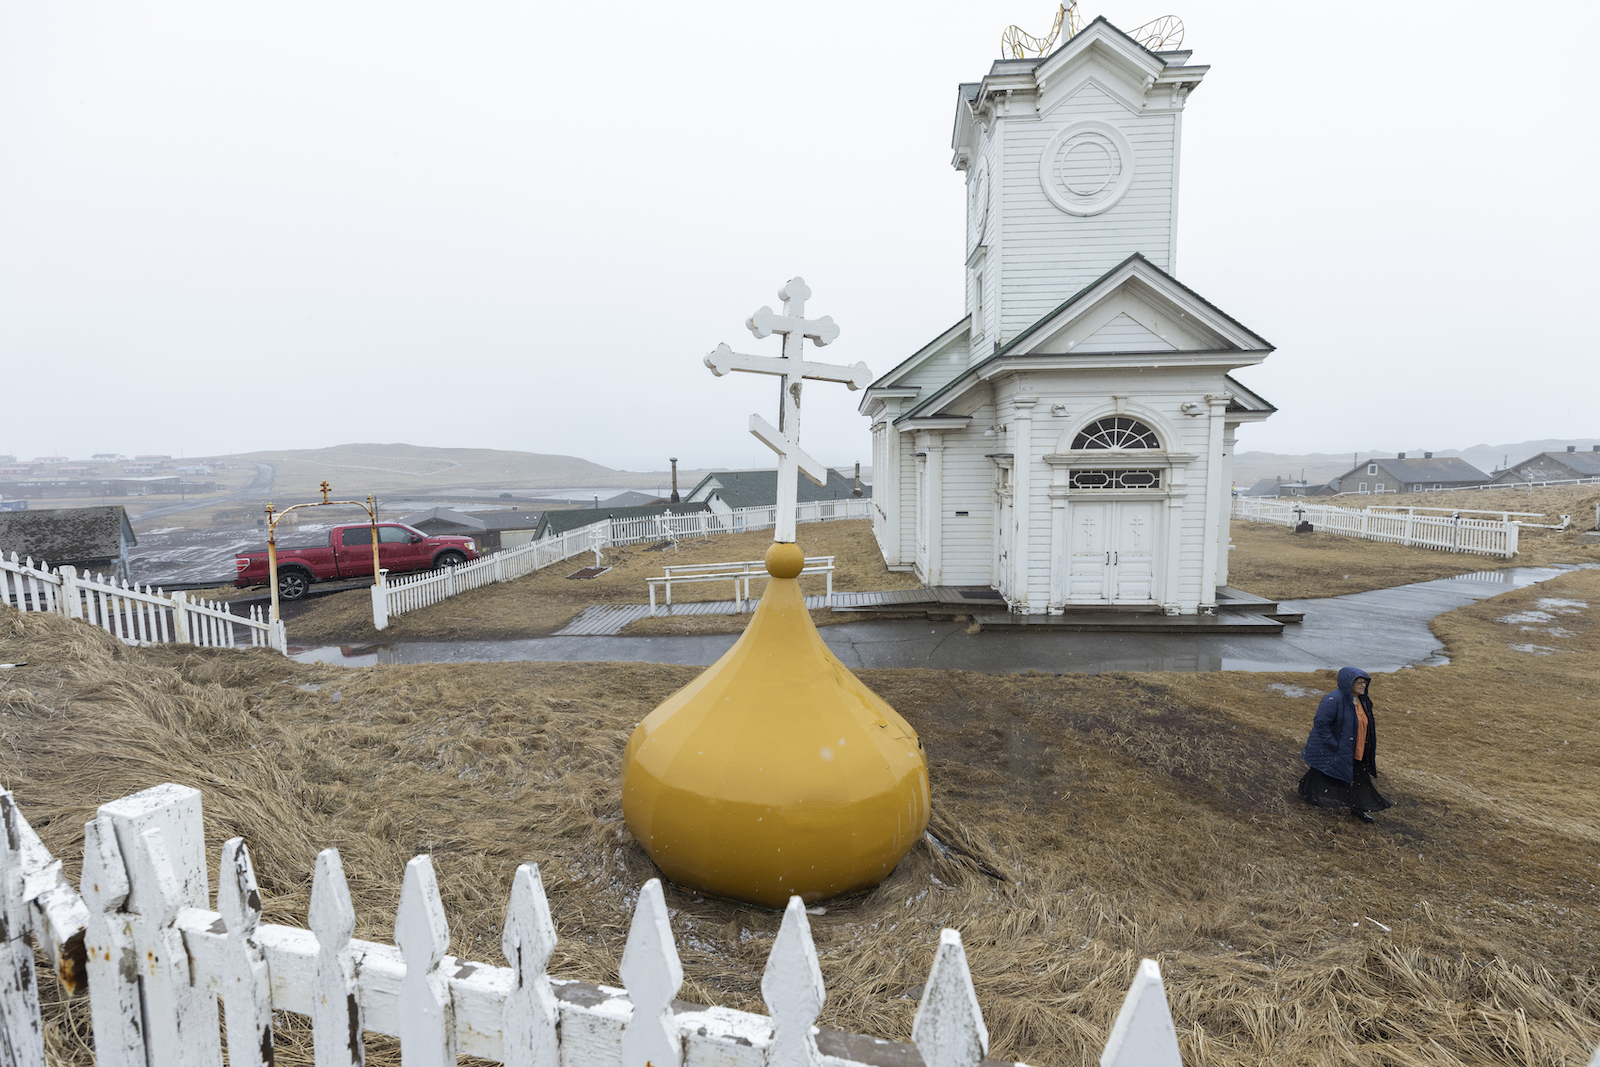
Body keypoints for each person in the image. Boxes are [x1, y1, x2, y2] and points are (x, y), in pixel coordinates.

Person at [1298, 667, 1392, 823]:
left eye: (1364, 682)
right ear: (1348, 683)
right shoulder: (1333, 700)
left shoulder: (1363, 701)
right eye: (1359, 683)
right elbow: (1321, 723)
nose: (1363, 686)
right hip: (1341, 749)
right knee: (1329, 773)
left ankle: (1310, 793)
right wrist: (1333, 744)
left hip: (1358, 748)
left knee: (1335, 774)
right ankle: (1358, 808)